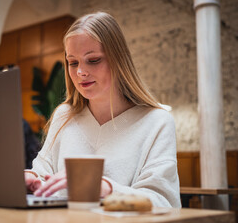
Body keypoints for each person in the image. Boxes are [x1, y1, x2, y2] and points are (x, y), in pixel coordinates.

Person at [24, 12, 181, 208]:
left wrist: (105, 187)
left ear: (118, 60)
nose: (80, 72)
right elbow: (42, 172)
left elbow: (164, 202)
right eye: (73, 62)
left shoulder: (157, 121)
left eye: (93, 60)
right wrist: (30, 178)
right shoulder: (64, 116)